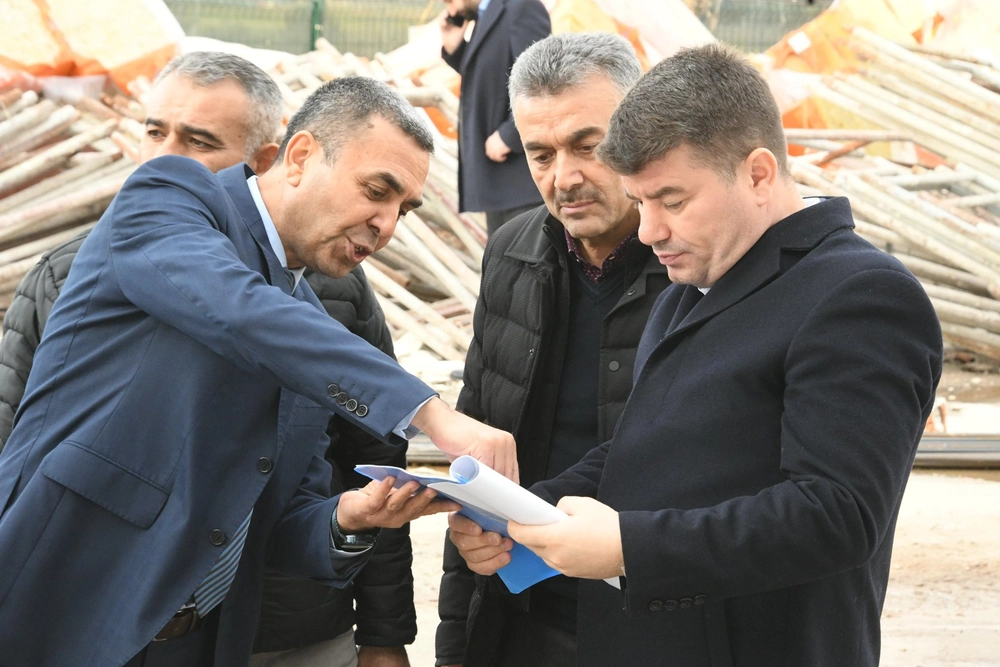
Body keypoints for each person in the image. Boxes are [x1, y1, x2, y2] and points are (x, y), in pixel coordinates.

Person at [449, 43, 943, 666]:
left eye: (673, 202)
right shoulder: (693, 288)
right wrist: (521, 514)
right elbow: (645, 449)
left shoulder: (861, 295)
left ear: (758, 174)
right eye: (641, 202)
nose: (649, 230)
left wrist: (629, 547)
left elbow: (836, 514)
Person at [0, 73, 516, 666]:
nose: (387, 224)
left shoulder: (309, 324)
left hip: (200, 642)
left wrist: (349, 517)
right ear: (299, 156)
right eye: (377, 190)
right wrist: (430, 412)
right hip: (57, 617)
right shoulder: (168, 197)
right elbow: (237, 309)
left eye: (404, 209)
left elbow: (275, 518)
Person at [435, 33, 669, 667]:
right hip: (523, 620)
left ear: (641, 128)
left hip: (656, 621)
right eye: (540, 154)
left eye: (589, 147)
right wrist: (457, 646)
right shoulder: (509, 254)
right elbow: (475, 462)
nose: (564, 178)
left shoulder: (699, 268)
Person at [439, 0, 549, 236]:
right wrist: (457, 50)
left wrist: (510, 134)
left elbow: (541, 82)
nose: (450, 9)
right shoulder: (487, 14)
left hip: (522, 184)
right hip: (500, 185)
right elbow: (492, 78)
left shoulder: (522, 7)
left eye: (449, 1)